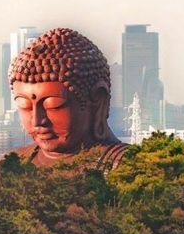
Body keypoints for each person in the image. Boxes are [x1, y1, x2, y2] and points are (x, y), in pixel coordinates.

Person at [9, 27, 129, 170]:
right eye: (25, 106)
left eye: (53, 105)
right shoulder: (12, 163)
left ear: (98, 100)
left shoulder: (127, 167)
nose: (37, 121)